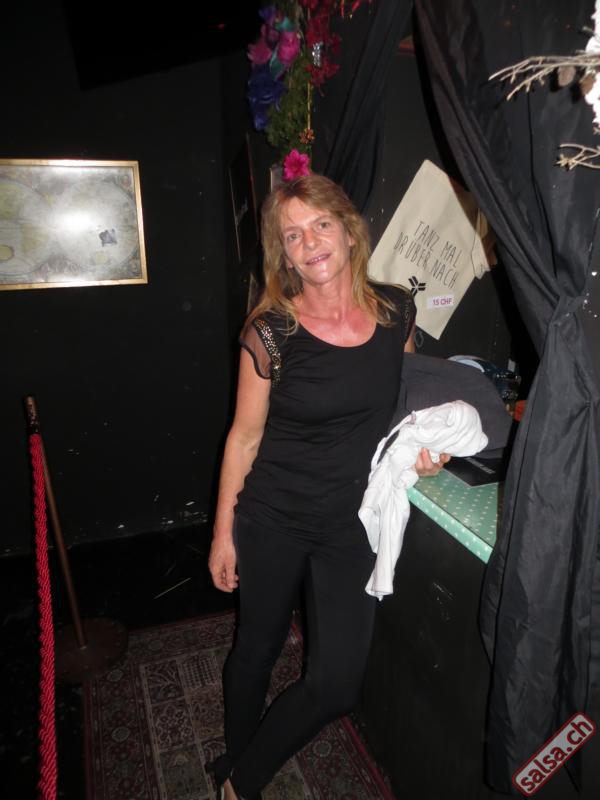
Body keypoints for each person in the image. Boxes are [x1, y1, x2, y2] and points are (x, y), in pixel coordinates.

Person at [208, 174, 448, 799]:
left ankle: (239, 781)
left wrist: (426, 449)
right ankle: (239, 765)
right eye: (293, 235)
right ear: (283, 255)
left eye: (320, 225)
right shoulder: (270, 332)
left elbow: (407, 406)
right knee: (256, 650)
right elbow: (243, 439)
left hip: (352, 522)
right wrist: (223, 533)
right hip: (273, 516)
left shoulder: (396, 311)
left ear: (348, 231)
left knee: (338, 683)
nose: (310, 242)